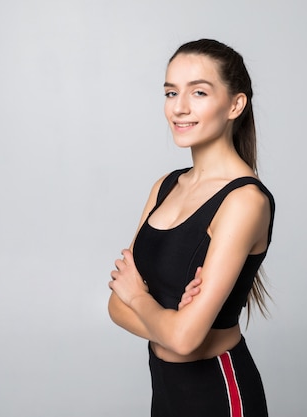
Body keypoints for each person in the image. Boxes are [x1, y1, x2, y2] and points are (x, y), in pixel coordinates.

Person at [108, 38, 275, 417]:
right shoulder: (165, 186)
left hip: (219, 392)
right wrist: (169, 322)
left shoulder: (245, 201)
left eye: (198, 92)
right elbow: (114, 306)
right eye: (171, 92)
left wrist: (141, 299)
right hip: (165, 391)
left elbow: (183, 337)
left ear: (235, 104)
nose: (179, 108)